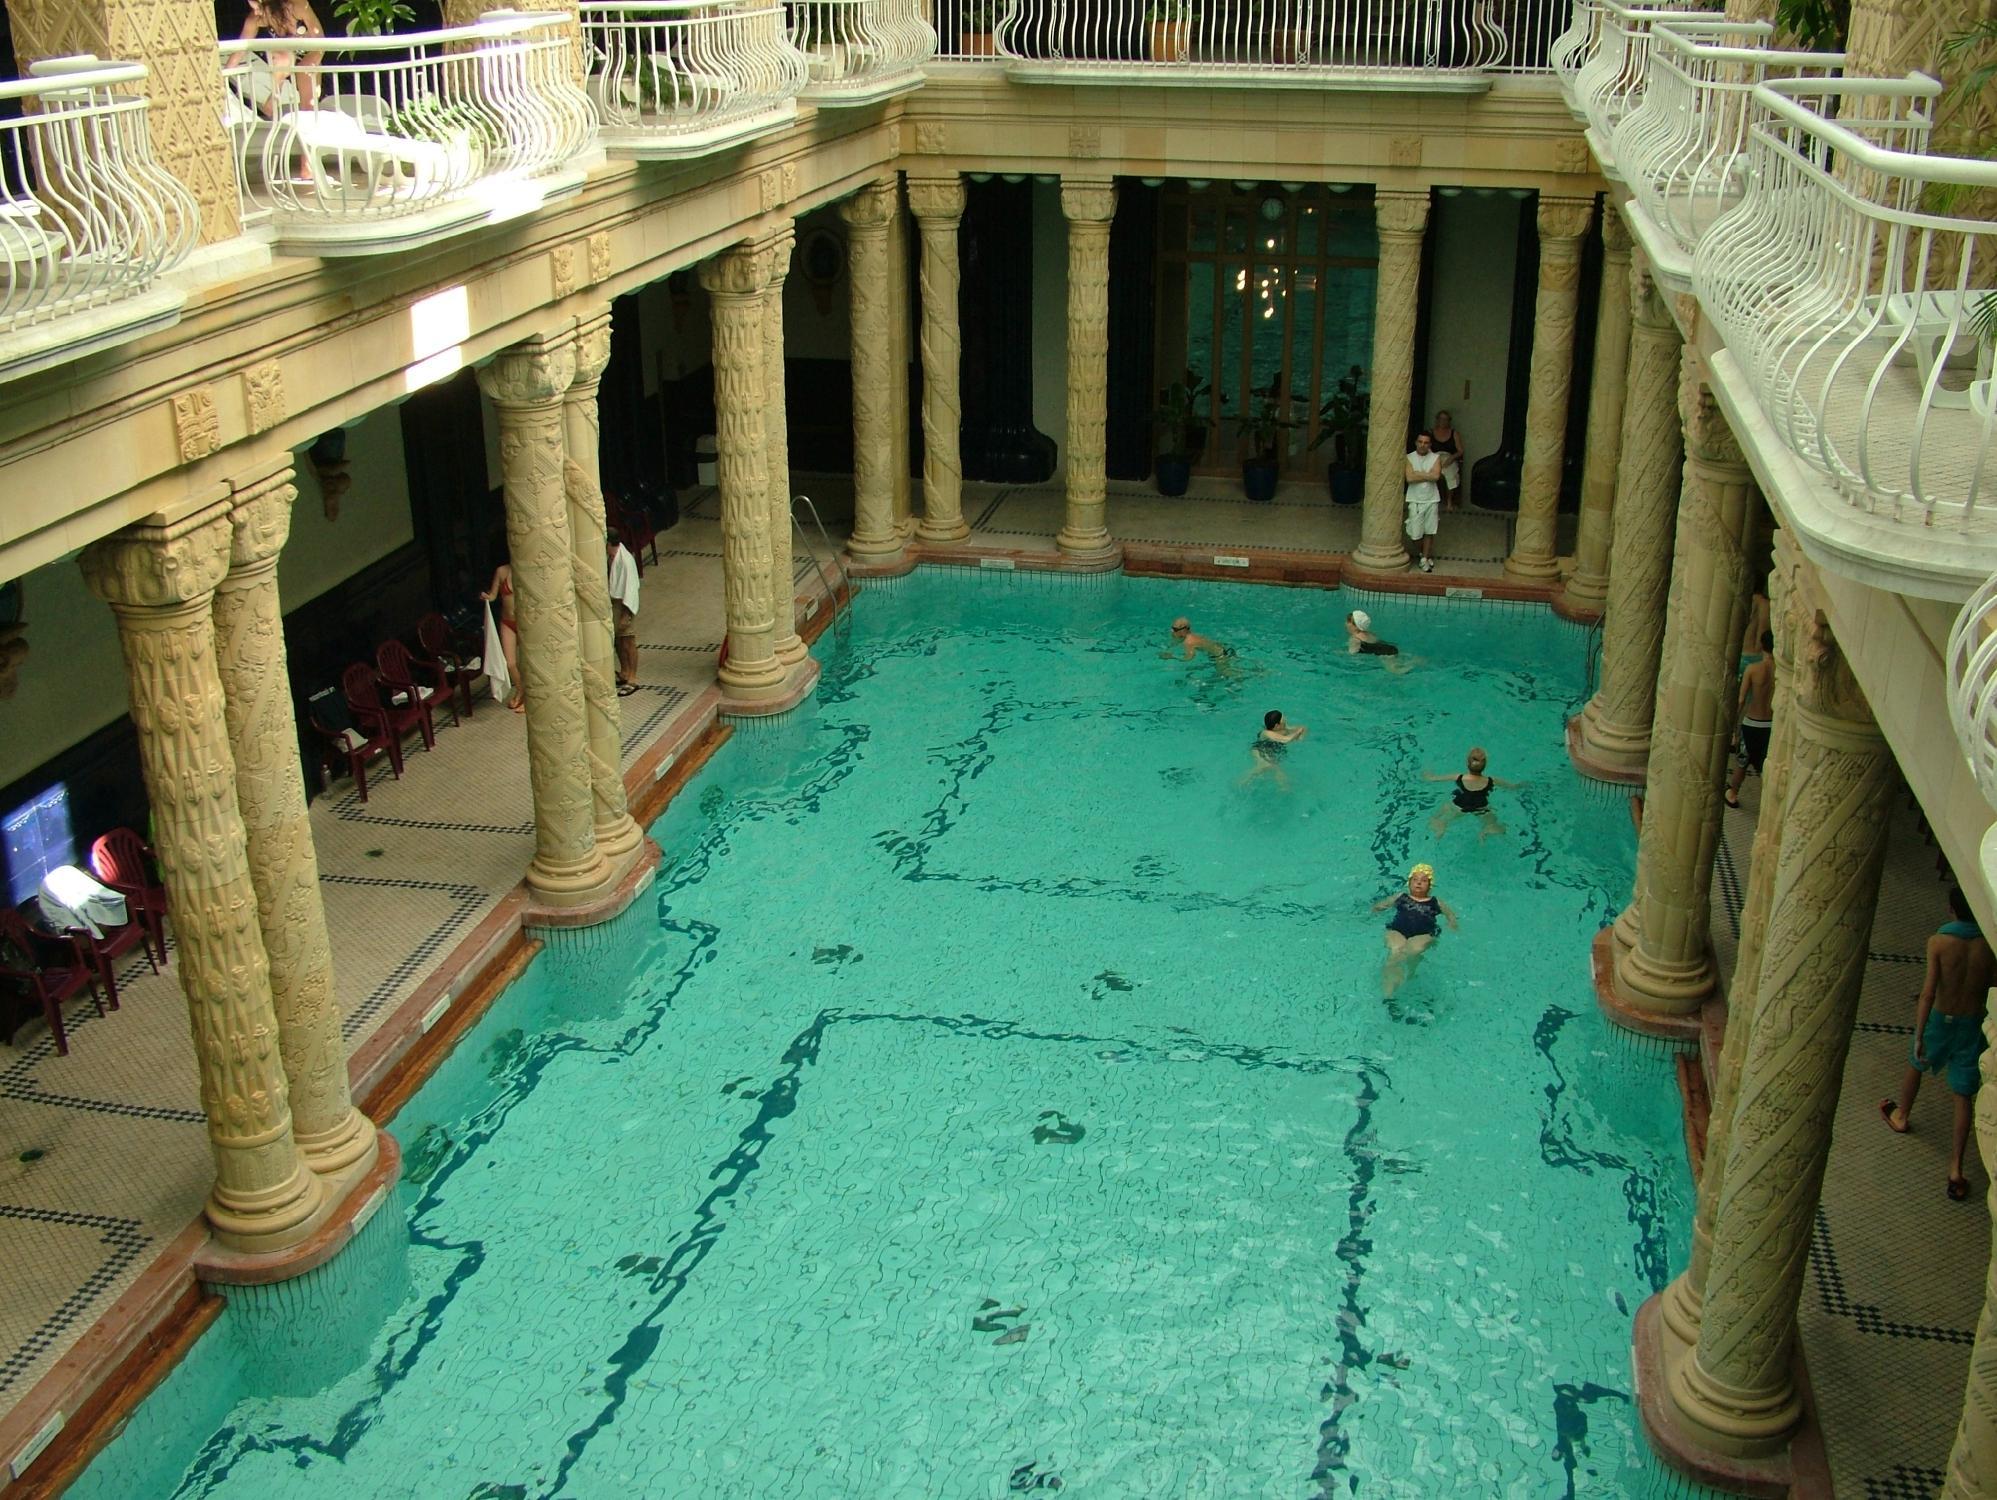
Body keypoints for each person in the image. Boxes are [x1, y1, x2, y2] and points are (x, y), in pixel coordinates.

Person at [1882, 887, 1996, 1202]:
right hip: (1971, 1022)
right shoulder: (1988, 945)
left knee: (1916, 1064)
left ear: (1951, 910)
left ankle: (1901, 1115)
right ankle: (1956, 1167)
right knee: (1963, 1094)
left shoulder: (1939, 943)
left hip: (1941, 1019)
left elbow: (1929, 992)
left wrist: (1919, 1033)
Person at [1371, 863, 1458, 999]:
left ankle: (1409, 975)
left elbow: (1450, 915)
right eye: (1415, 880)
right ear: (1409, 882)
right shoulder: (1401, 896)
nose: (1419, 883)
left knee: (1413, 950)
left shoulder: (1435, 902)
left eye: (1424, 880)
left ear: (1430, 885)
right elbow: (1381, 906)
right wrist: (1375, 910)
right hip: (1397, 931)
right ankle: (1390, 990)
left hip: (1424, 934)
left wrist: (1452, 924)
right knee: (1396, 950)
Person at [1725, 631, 1776, 809]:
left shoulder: (1753, 669)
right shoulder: (1780, 671)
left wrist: (1733, 726)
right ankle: (1769, 802)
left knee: (1742, 761)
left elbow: (1740, 700)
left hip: (1752, 722)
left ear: (1762, 646)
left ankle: (1733, 793)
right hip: (1771, 724)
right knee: (1765, 764)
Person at [1424, 747, 1521, 840]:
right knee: (1493, 823)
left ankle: (1441, 826)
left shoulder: (1459, 777)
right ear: (1485, 765)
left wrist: (1428, 774)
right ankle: (1487, 830)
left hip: (1460, 805)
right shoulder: (1491, 780)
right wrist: (1521, 785)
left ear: (1467, 763)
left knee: (1443, 813)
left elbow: (1433, 779)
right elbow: (1512, 787)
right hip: (1480, 806)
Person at [480, 559, 524, 713]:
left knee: (527, 663)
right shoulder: (501, 571)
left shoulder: (526, 570)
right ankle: (521, 690)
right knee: (510, 663)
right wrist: (486, 597)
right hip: (507, 622)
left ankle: (529, 697)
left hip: (524, 622)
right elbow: (493, 596)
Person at [608, 530, 641, 696]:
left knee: (628, 641)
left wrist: (626, 614)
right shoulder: (611, 558)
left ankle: (633, 678)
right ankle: (624, 672)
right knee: (618, 641)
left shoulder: (626, 560)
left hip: (624, 604)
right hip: (614, 603)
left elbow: (631, 588)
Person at [1404, 431, 1443, 573]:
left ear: (1430, 444)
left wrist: (1418, 473)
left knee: (1429, 531)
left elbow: (1436, 476)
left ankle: (1424, 558)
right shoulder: (1409, 458)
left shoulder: (1435, 457)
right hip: (1415, 499)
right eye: (1420, 442)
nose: (1422, 445)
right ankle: (1425, 553)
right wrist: (1427, 475)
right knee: (1414, 534)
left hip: (1432, 499)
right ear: (1416, 443)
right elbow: (1409, 478)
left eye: (1426, 443)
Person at [1242, 709, 1307, 789]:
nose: (1285, 720)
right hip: (1259, 750)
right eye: (1283, 719)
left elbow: (1302, 728)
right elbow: (1286, 739)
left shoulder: (1283, 728)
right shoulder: (1266, 733)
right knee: (1265, 766)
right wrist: (1298, 732)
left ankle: (1284, 789)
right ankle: (1241, 783)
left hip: (1272, 750)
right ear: (1277, 725)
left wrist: (1301, 735)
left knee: (1277, 769)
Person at [1344, 610, 1412, 674]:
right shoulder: (1371, 634)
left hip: (1384, 654)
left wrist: (1342, 653)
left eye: (1348, 622)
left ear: (1355, 626)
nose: (1345, 623)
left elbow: (1352, 655)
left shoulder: (1354, 639)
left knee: (1395, 671)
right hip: (1391, 648)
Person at [1164, 617, 1236, 674]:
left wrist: (1172, 657)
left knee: (1227, 674)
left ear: (1183, 630)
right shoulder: (1193, 635)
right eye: (1172, 629)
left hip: (1220, 656)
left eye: (1175, 629)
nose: (1172, 631)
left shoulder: (1189, 642)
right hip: (1221, 650)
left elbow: (1189, 658)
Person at [1431, 410, 1466, 510]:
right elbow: (1427, 449)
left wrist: (1451, 458)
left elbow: (1460, 451)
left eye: (1445, 419)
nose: (1443, 421)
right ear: (1437, 420)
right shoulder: (1431, 432)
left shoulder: (1454, 433)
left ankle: (1449, 502)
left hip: (1449, 458)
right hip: (1434, 458)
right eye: (1441, 419)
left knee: (1450, 472)